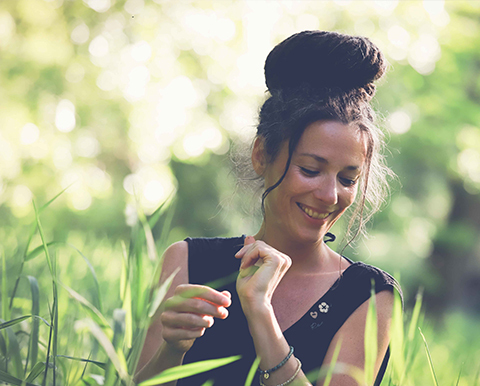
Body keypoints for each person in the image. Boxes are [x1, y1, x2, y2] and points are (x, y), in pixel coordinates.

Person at [135, 30, 401, 386]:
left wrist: (261, 314)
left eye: (348, 179)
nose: (329, 194)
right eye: (310, 170)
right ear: (261, 155)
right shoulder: (186, 263)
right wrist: (172, 349)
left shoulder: (368, 296)